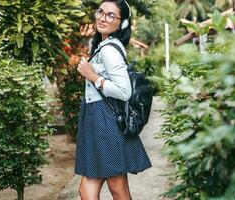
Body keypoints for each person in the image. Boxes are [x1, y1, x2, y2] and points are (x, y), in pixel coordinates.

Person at [75, 0, 152, 199]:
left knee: (117, 189)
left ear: (122, 23)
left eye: (111, 15)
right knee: (89, 191)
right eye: (101, 12)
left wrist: (91, 76)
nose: (102, 17)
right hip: (96, 120)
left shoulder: (109, 49)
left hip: (105, 122)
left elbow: (124, 91)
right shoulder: (103, 46)